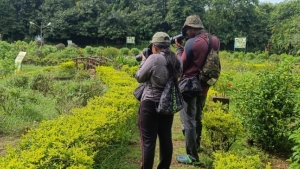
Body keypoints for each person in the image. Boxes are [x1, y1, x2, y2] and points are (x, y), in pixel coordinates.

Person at [174, 15, 220, 165]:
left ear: (193, 28)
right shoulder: (214, 40)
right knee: (198, 118)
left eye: (187, 30)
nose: (186, 33)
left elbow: (181, 65)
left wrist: (179, 49)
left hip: (189, 87)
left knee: (188, 121)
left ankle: (192, 156)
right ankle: (197, 146)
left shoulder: (192, 43)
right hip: (204, 85)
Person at [135, 32, 183, 169]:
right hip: (167, 104)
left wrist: (144, 60)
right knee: (166, 138)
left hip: (150, 104)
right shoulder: (178, 60)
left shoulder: (154, 58)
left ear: (155, 47)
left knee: (149, 142)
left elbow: (139, 77)